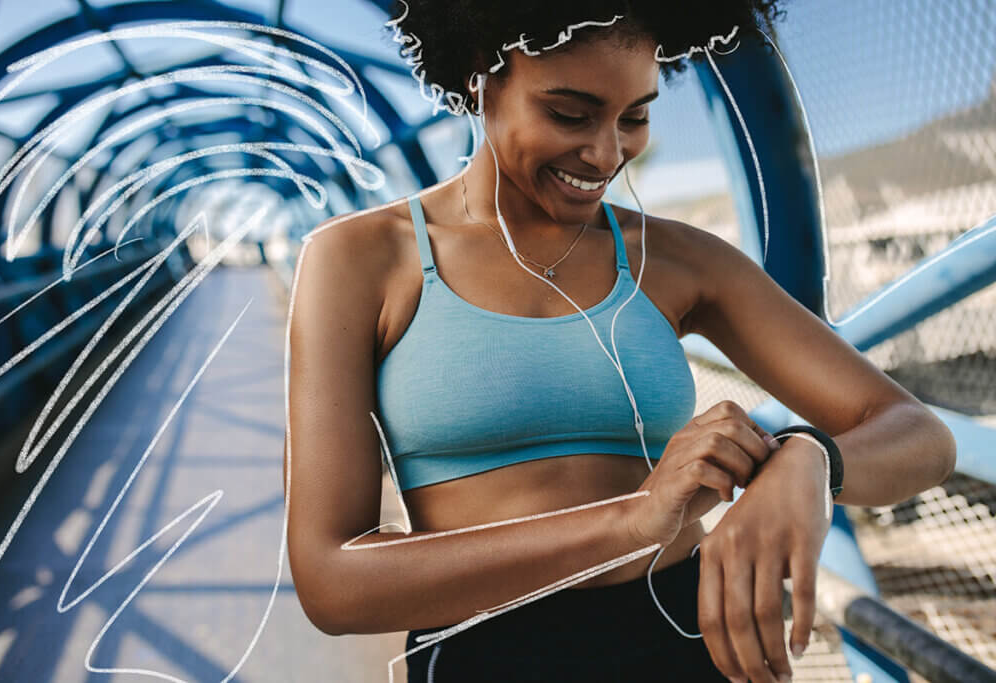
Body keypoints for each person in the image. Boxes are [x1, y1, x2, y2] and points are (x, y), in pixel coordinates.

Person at [283, 2, 958, 682]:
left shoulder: (676, 258)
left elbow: (919, 435)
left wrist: (809, 458)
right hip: (479, 656)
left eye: (634, 116)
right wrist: (632, 520)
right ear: (478, 78)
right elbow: (332, 580)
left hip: (688, 646)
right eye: (570, 114)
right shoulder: (361, 260)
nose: (607, 153)